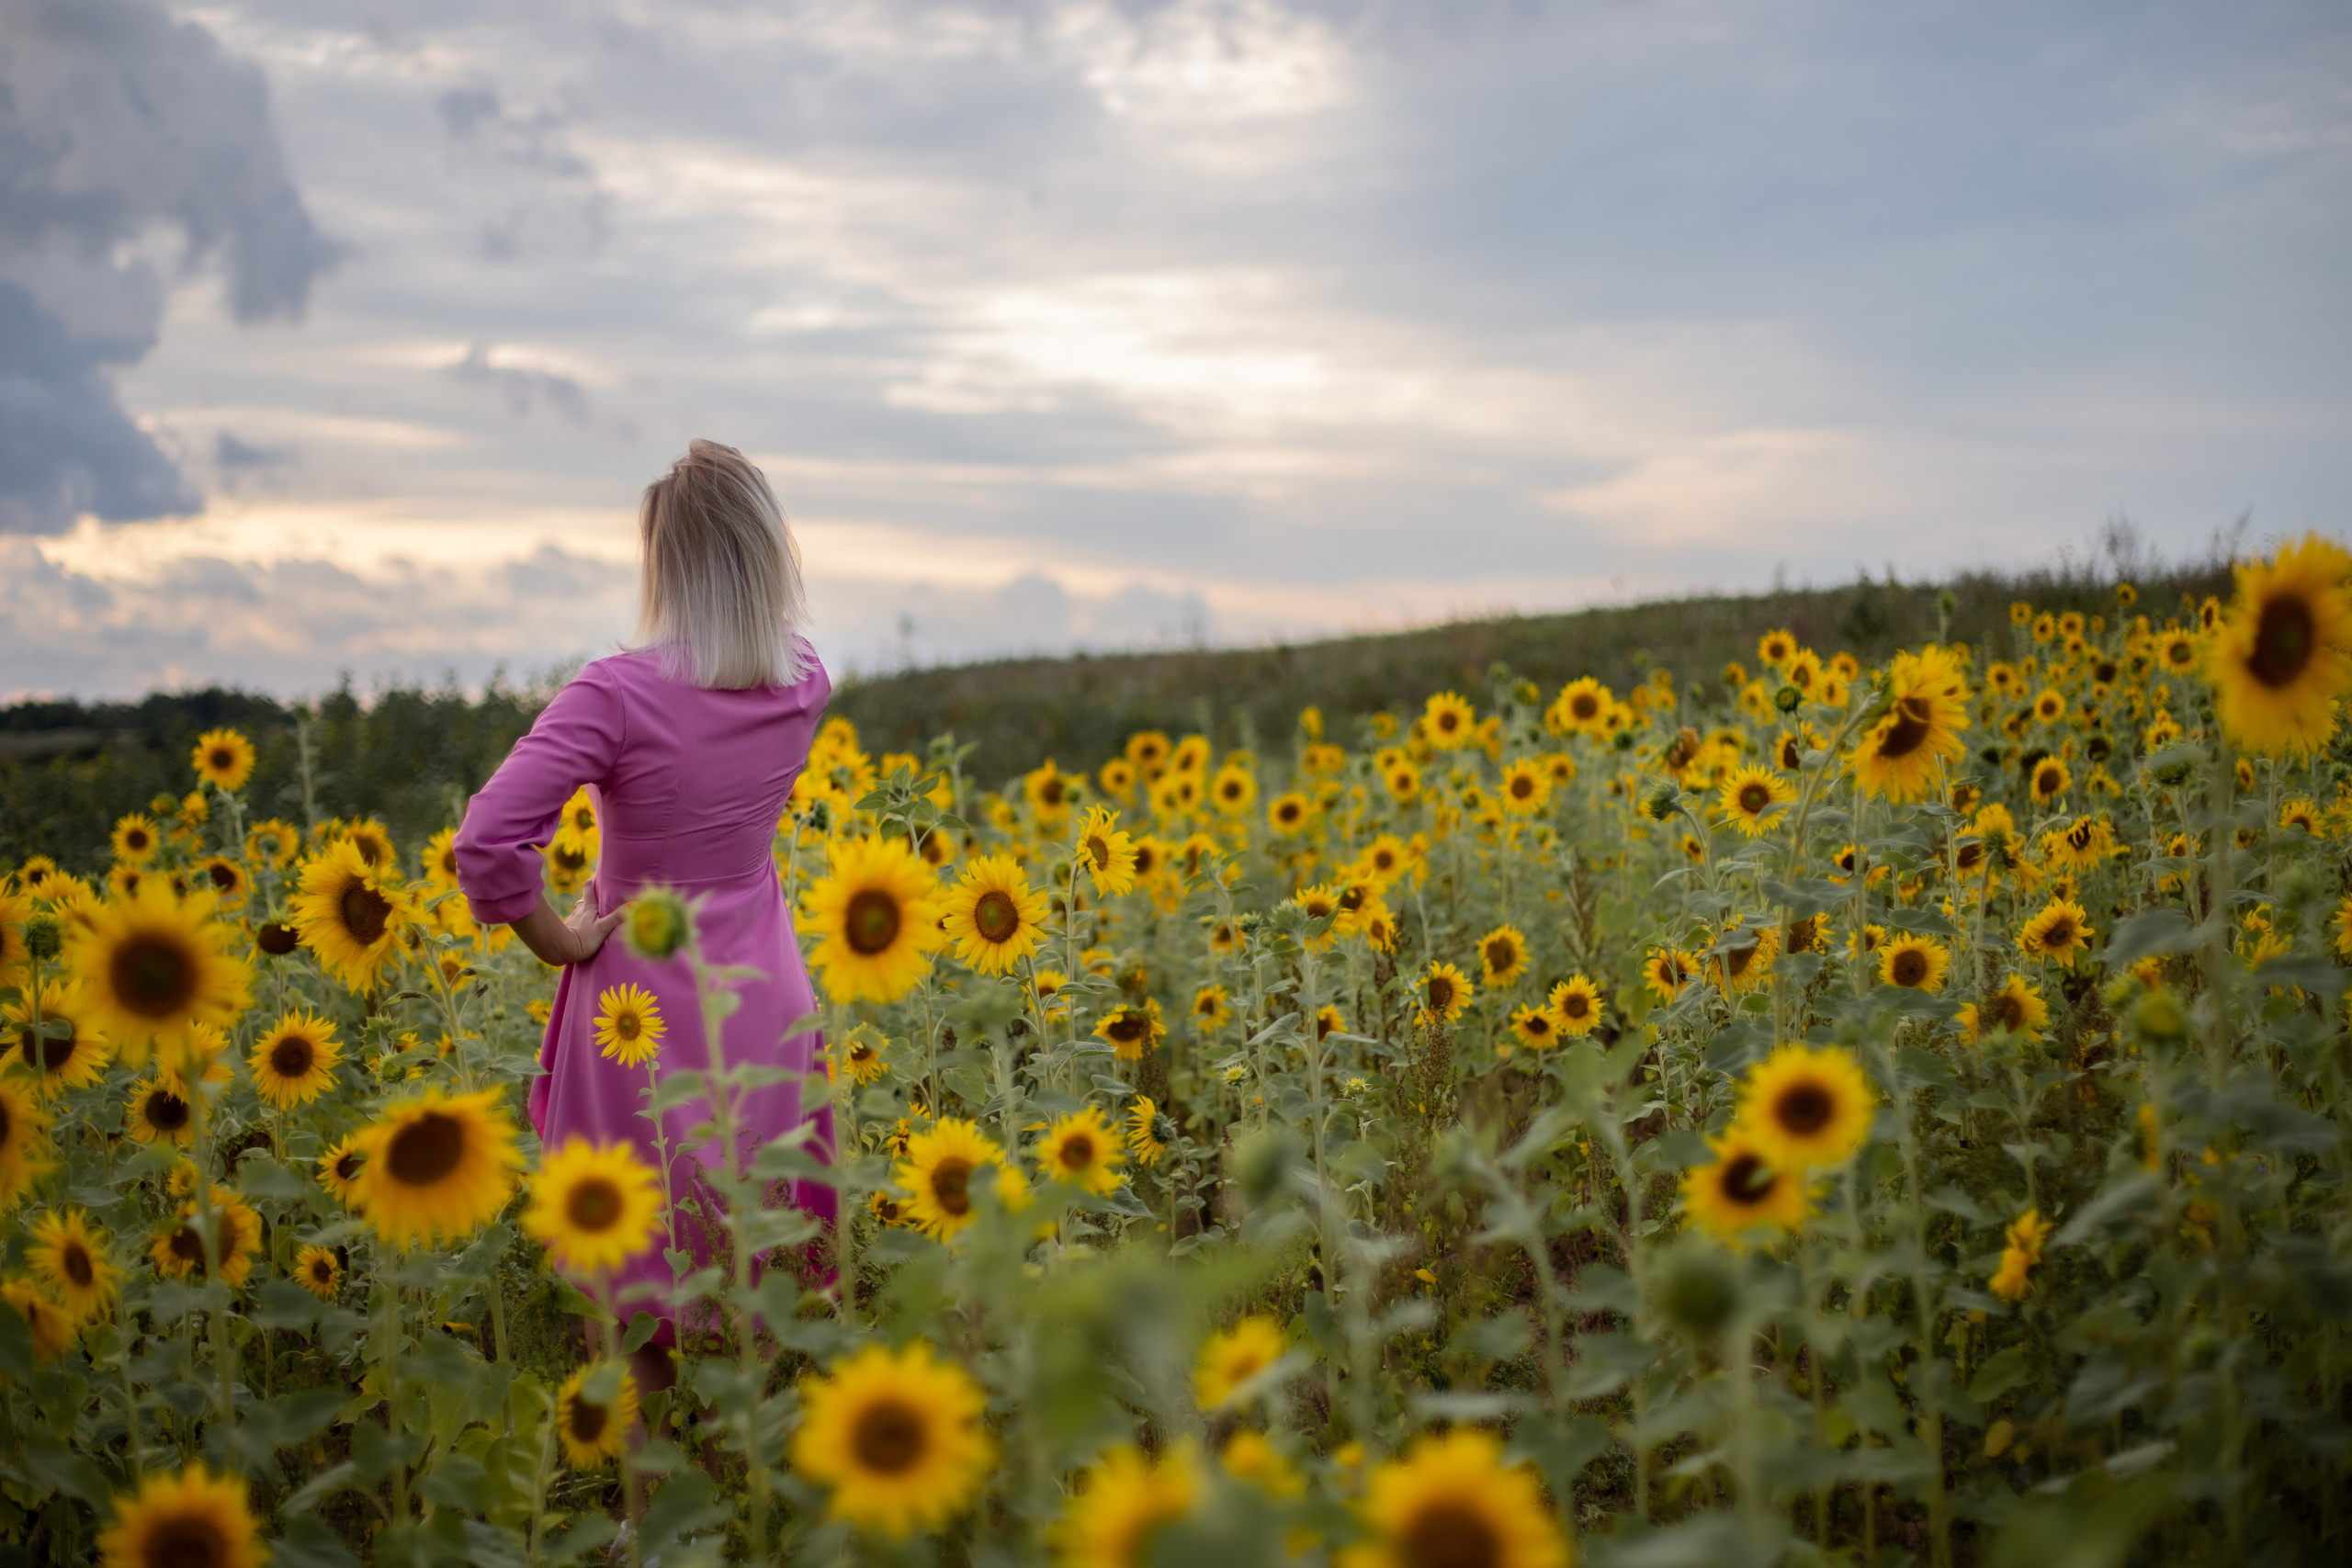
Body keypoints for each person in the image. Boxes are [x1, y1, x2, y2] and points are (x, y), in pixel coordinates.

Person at [454, 439, 835, 1397]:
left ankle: (645, 1513)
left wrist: (563, 937)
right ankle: (761, 1478)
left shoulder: (615, 693)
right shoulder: (804, 682)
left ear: (663, 561)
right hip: (764, 995)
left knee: (633, 1268)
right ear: (762, 555)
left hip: (642, 1011)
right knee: (763, 1243)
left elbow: (488, 840)